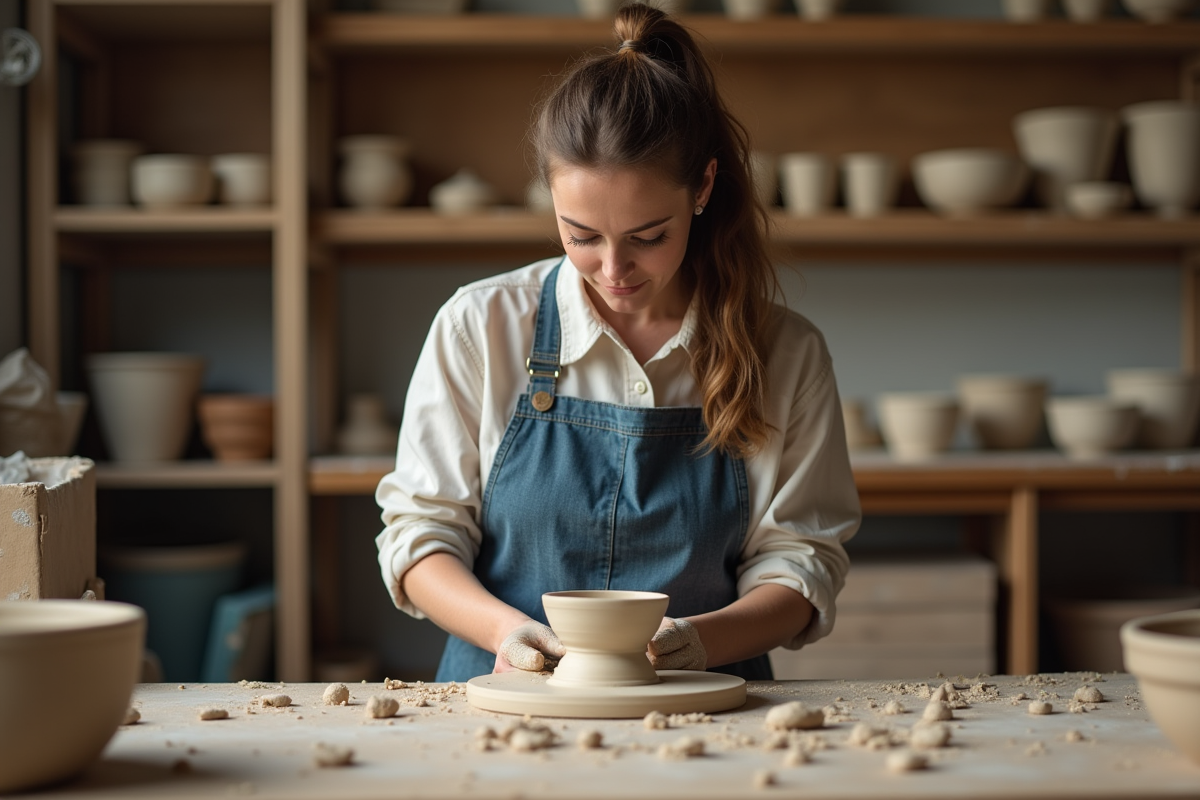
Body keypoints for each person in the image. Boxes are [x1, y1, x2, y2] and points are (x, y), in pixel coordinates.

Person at [375, 2, 861, 684]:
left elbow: (801, 560)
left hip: (705, 704)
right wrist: (506, 633)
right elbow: (420, 535)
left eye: (647, 236)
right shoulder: (480, 325)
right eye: (580, 235)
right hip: (506, 700)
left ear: (703, 187)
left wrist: (698, 641)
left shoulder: (786, 353)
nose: (613, 270)